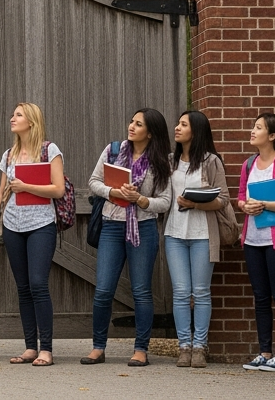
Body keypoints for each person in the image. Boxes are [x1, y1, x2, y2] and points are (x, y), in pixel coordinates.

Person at [84, 109, 173, 368]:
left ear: (151, 132)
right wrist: (113, 191)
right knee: (103, 290)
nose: (131, 126)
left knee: (142, 292)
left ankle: (141, 349)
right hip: (112, 226)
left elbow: (164, 202)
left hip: (143, 228)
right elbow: (94, 181)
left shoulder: (161, 161)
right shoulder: (113, 150)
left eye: (138, 124)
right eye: (131, 122)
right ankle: (98, 347)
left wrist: (140, 200)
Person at [0, 103, 65, 367]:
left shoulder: (49, 150)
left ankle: (47, 349)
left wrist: (26, 185)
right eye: (13, 114)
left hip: (41, 225)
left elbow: (58, 190)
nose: (12, 118)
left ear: (31, 121)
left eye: (18, 115)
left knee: (38, 284)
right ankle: (30, 347)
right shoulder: (9, 154)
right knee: (23, 288)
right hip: (12, 226)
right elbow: (1, 193)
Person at [166, 110, 230, 368]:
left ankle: (200, 347)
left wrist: (195, 204)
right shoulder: (170, 160)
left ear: (197, 130)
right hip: (174, 234)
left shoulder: (211, 161)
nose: (177, 128)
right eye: (178, 123)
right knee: (181, 292)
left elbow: (224, 199)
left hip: (203, 234)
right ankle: (184, 346)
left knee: (201, 292)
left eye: (183, 124)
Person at [237, 112, 275, 372]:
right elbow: (241, 196)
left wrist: (263, 205)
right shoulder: (248, 164)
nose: (252, 131)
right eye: (254, 127)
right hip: (252, 239)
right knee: (260, 297)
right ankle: (264, 352)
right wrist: (245, 206)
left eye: (258, 128)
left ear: (272, 136)